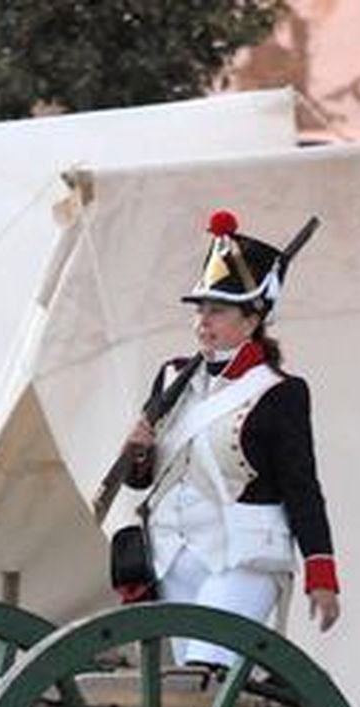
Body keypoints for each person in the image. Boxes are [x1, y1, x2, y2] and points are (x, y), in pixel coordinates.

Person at [119, 209, 340, 665]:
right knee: (186, 690)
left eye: (217, 310)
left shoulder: (279, 392)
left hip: (244, 557)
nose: (203, 321)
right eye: (200, 310)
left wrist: (321, 572)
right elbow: (143, 481)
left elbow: (301, 486)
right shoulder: (171, 377)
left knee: (208, 673)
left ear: (251, 320)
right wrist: (138, 453)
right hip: (170, 555)